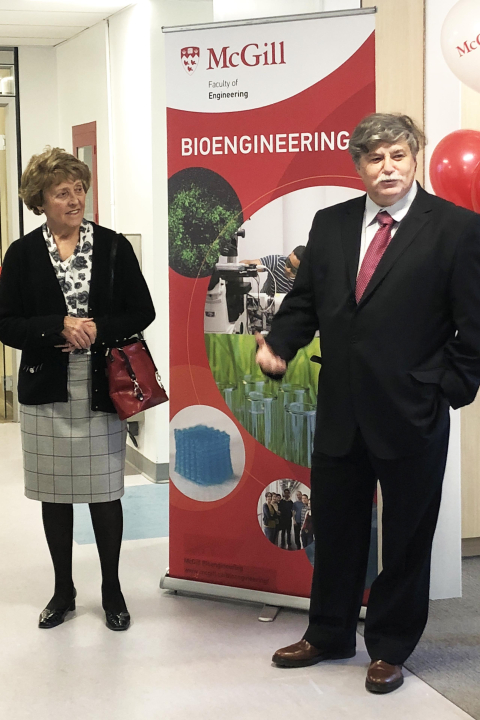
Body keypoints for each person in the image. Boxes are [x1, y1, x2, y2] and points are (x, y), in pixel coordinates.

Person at [255, 114, 480, 694]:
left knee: (406, 536)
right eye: (376, 158)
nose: (388, 168)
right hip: (340, 409)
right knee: (335, 528)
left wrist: (446, 391)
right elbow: (305, 304)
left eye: (398, 157)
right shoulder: (330, 225)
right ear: (359, 166)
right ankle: (329, 633)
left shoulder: (455, 228)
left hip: (413, 411)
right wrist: (279, 344)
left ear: (415, 160)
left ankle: (389, 647)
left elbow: (474, 327)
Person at [0, 147, 155, 632]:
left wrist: (94, 329)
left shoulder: (112, 247)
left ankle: (112, 588)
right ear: (39, 200)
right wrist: (57, 327)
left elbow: (142, 310)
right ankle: (63, 589)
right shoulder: (22, 254)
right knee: (55, 495)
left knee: (106, 493)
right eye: (62, 192)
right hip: (46, 388)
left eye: (79, 189)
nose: (74, 200)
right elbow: (6, 323)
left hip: (99, 385)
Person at [240, 246, 305, 295]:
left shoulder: (305, 278)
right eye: (288, 263)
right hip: (266, 306)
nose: (288, 269)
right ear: (290, 255)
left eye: (293, 270)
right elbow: (245, 264)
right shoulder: (276, 261)